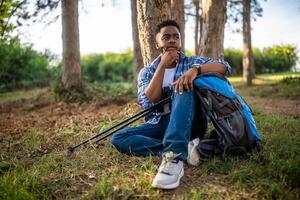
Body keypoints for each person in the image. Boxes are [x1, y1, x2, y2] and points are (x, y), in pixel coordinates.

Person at [110, 20, 231, 189]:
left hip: (192, 122)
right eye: (166, 37)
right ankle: (184, 149)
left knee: (182, 85)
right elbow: (148, 100)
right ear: (157, 43)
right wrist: (162, 66)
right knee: (118, 138)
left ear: (180, 41)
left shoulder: (191, 62)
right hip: (160, 124)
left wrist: (196, 70)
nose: (172, 40)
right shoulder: (148, 71)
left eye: (176, 37)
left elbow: (224, 66)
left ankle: (173, 156)